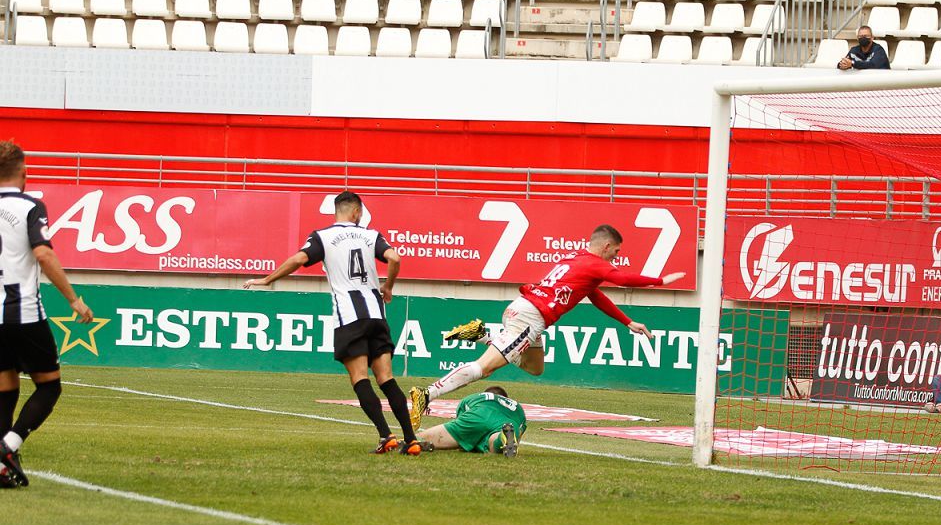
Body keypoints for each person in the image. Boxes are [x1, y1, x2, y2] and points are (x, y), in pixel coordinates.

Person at [408, 224, 686, 430]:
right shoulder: (595, 263)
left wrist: (628, 322)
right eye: (616, 251)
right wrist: (660, 281)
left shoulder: (577, 260)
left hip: (526, 314)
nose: (616, 256)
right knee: (485, 367)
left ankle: (480, 333)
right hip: (529, 319)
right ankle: (426, 394)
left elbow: (596, 296)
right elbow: (623, 280)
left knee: (534, 368)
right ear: (605, 246)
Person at [243, 191, 424, 456]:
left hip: (349, 318)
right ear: (358, 212)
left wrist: (267, 280)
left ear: (337, 211)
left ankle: (386, 436)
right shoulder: (371, 235)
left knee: (360, 378)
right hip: (376, 315)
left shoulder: (323, 236)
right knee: (386, 378)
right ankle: (412, 439)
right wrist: (388, 286)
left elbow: (298, 259)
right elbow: (394, 258)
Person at [0, 140, 94, 487]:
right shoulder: (29, 206)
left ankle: (2, 466)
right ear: (23, 173)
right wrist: (73, 300)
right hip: (22, 312)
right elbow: (44, 254)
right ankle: (7, 447)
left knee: (5, 388)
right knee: (49, 387)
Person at [417, 386, 527, 458]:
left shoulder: (475, 397)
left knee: (420, 438)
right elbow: (519, 435)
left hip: (478, 415)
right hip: (510, 422)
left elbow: (463, 426)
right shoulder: (518, 408)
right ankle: (502, 437)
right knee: (493, 443)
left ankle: (414, 441)